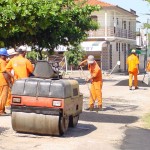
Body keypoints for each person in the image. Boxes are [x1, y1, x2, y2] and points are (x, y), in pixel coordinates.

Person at [0, 48, 10, 115]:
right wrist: (9, 82)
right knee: (3, 96)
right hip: (3, 81)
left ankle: (2, 110)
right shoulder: (2, 62)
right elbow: (4, 73)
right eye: (5, 56)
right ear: (2, 55)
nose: (6, 57)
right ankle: (0, 110)